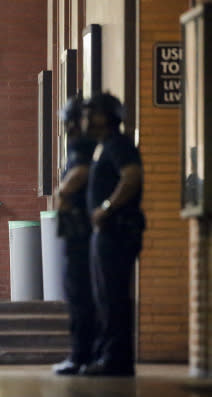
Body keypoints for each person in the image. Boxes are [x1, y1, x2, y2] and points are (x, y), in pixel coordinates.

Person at [79, 93, 145, 376]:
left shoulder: (118, 144)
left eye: (91, 113)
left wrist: (106, 208)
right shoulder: (103, 146)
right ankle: (109, 356)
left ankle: (115, 360)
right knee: (105, 295)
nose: (85, 119)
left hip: (117, 231)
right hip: (105, 232)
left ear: (105, 117)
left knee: (113, 296)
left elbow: (132, 177)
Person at [51, 94, 97, 375]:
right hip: (80, 229)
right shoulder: (85, 144)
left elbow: (81, 172)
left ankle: (81, 355)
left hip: (80, 230)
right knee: (79, 294)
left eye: (70, 121)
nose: (68, 127)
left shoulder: (83, 145)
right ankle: (82, 354)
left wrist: (63, 191)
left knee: (79, 293)